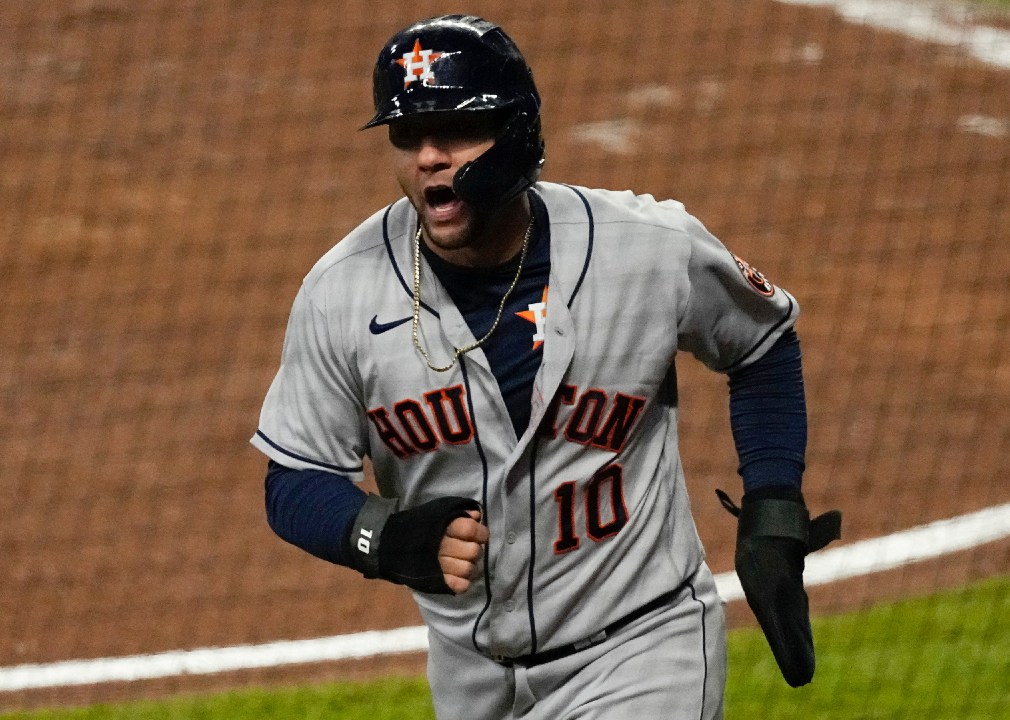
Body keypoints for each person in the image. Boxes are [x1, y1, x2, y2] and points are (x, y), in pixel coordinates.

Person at [252, 14, 839, 720]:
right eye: (408, 136)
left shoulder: (643, 249)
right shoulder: (343, 292)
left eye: (455, 130)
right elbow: (294, 478)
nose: (428, 157)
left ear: (519, 132)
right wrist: (383, 535)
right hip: (473, 676)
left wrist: (774, 506)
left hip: (641, 650)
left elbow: (763, 340)